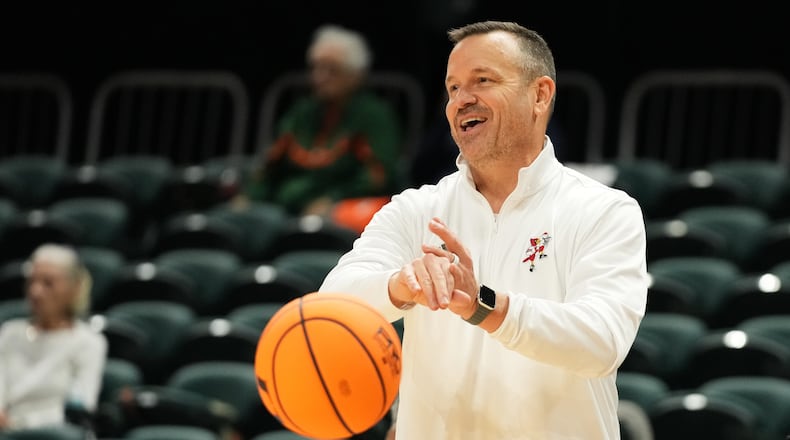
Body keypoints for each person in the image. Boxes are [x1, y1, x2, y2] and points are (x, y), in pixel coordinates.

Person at [318, 20, 648, 439]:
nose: (461, 100)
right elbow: (330, 306)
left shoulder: (604, 211)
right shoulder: (416, 209)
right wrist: (401, 285)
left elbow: (600, 343)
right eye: (453, 88)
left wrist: (484, 305)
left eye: (483, 80)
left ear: (540, 94)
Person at [243, 24, 404, 218]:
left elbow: (378, 175)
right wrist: (249, 197)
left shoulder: (373, 115)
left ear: (354, 75)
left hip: (338, 208)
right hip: (282, 205)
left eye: (331, 70)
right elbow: (270, 164)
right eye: (316, 67)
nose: (320, 77)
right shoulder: (303, 112)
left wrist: (333, 198)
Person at [0, 244, 107, 431]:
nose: (36, 292)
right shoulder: (10, 333)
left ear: (74, 288)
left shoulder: (88, 342)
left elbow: (81, 407)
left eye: (48, 283)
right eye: (31, 282)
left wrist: (19, 427)